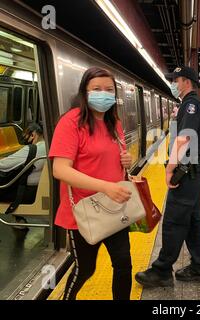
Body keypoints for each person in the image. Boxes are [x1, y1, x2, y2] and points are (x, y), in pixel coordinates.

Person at [48, 67, 134, 300]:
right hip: (84, 212)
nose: (103, 94)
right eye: (96, 89)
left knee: (124, 263)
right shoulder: (71, 122)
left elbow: (115, 155)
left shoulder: (113, 121)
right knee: (86, 268)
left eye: (109, 90)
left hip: (114, 207)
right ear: (85, 93)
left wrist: (126, 160)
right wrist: (105, 186)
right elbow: (60, 169)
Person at [135, 66, 200, 287]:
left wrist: (169, 169)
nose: (173, 83)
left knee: (173, 222)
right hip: (195, 173)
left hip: (187, 174)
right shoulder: (193, 103)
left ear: (185, 81)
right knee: (194, 222)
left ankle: (161, 271)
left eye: (174, 79)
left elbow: (184, 139)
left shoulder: (191, 104)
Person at [0, 123, 46, 204]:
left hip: (22, 191)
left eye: (26, 136)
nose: (25, 139)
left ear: (33, 135)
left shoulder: (32, 149)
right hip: (36, 189)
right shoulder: (48, 146)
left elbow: (3, 165)